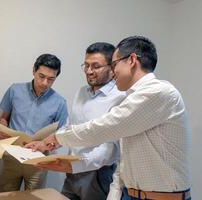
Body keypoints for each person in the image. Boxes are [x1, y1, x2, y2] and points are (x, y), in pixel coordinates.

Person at [26, 36, 191, 200]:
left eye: (114, 64)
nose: (113, 71)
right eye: (87, 65)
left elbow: (106, 127)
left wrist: (56, 139)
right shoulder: (130, 96)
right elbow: (124, 160)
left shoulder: (159, 92)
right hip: (129, 192)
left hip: (159, 196)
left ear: (132, 60)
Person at [37, 42, 125, 200]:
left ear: (112, 68)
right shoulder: (81, 93)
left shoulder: (120, 97)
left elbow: (110, 147)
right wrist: (47, 143)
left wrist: (77, 165)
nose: (89, 71)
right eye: (86, 65)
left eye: (96, 66)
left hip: (97, 174)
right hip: (72, 171)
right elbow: (70, 127)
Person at [0, 53, 68, 192]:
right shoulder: (15, 90)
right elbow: (4, 118)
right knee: (4, 196)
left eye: (51, 79)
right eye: (41, 76)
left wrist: (47, 145)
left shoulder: (60, 102)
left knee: (34, 197)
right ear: (33, 70)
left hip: (38, 161)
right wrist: (2, 130)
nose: (45, 83)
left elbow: (61, 135)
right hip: (11, 156)